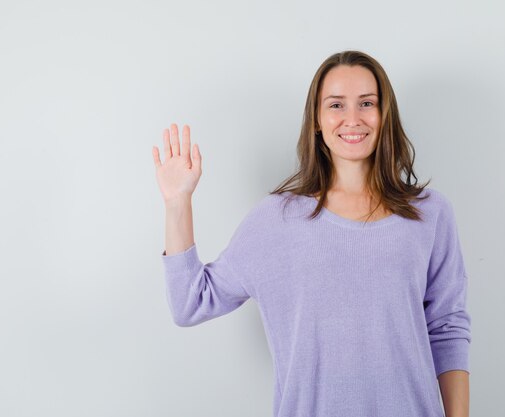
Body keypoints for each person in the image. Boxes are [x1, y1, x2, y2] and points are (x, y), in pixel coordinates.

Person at [151, 50, 471, 417]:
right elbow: (189, 303)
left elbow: (447, 327)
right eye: (336, 105)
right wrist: (178, 202)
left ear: (384, 115)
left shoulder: (430, 213)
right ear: (317, 120)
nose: (353, 119)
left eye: (367, 103)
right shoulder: (277, 220)